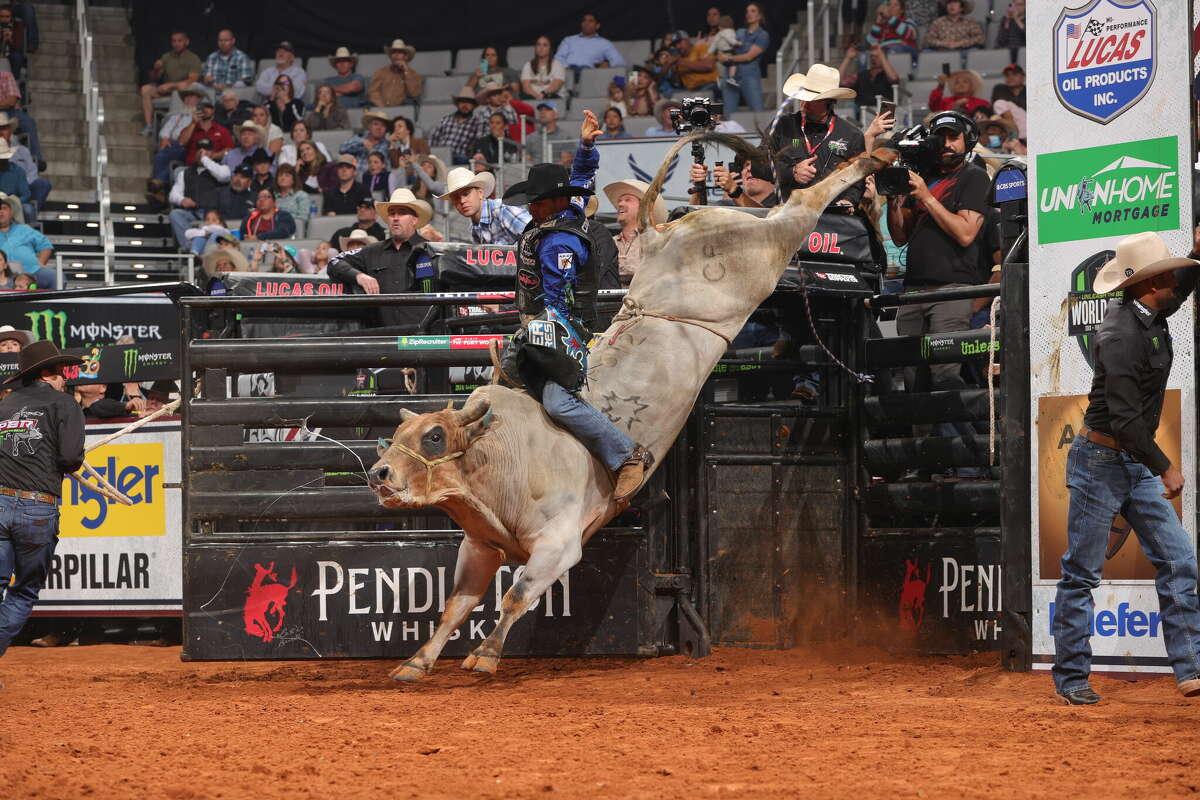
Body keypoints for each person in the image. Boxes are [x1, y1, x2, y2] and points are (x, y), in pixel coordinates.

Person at [1053, 230, 1200, 705]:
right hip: (1104, 460)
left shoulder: (1150, 311)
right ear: (1145, 285)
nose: (1173, 284)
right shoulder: (1118, 334)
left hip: (1127, 457)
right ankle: (1071, 677)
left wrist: (1197, 253)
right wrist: (1165, 467)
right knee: (1082, 572)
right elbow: (1124, 417)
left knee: (1179, 560)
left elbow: (1180, 293)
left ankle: (1192, 668)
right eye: (1165, 278)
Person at [498, 109, 650, 501]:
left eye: (537, 201)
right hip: (552, 321)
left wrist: (534, 336)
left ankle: (626, 455)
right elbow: (581, 178)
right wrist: (585, 147)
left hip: (563, 328)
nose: (530, 208)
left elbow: (558, 299)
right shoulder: (569, 213)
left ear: (555, 201)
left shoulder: (558, 242)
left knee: (556, 401)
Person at [885, 111, 988, 402]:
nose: (946, 144)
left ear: (967, 142)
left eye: (953, 137)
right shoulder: (921, 176)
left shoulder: (974, 177)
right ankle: (921, 443)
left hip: (951, 291)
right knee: (912, 379)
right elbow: (900, 236)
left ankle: (960, 445)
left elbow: (966, 233)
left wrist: (926, 197)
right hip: (913, 292)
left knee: (945, 374)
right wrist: (894, 200)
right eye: (940, 137)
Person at [0, 339, 85, 660]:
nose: (66, 378)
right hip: (37, 506)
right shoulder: (65, 405)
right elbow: (70, 458)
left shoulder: (4, 406)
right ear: (48, 374)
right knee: (23, 591)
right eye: (62, 372)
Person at [326, 188, 434, 329]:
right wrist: (359, 276)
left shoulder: (430, 250)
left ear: (414, 219)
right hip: (381, 336)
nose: (395, 217)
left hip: (422, 336)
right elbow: (334, 261)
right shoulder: (372, 251)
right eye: (392, 213)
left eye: (402, 213)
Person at [771, 65, 866, 203]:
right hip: (789, 214)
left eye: (812, 99)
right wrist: (792, 172)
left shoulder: (852, 135)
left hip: (833, 214)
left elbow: (858, 176)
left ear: (828, 101)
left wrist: (849, 200)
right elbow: (759, 164)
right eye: (803, 97)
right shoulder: (782, 125)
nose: (804, 103)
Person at [168, 138, 232, 249]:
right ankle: (189, 247)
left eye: (206, 150)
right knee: (175, 214)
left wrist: (205, 160)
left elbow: (223, 176)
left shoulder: (221, 168)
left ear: (212, 152)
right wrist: (182, 200)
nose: (202, 153)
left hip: (214, 216)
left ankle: (199, 247)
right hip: (193, 213)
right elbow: (172, 195)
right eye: (199, 150)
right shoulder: (185, 173)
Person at [438, 168, 530, 245]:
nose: (462, 201)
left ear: (480, 193)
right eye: (456, 198)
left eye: (466, 194)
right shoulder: (474, 228)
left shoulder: (502, 210)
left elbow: (536, 234)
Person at [603, 179, 667, 286]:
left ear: (643, 208)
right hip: (612, 302)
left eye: (627, 200)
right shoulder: (609, 242)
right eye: (619, 200)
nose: (620, 204)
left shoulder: (654, 240)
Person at [139, 31, 203, 136]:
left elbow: (193, 79)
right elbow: (154, 79)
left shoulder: (193, 58)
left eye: (179, 41)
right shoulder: (166, 57)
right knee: (145, 89)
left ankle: (177, 124)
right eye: (174, 41)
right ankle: (149, 126)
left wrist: (171, 85)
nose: (176, 44)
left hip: (182, 91)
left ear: (186, 42)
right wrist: (156, 70)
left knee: (184, 86)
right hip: (166, 90)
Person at [718, 2, 769, 112]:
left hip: (749, 75)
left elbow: (749, 56)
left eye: (753, 11)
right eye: (747, 11)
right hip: (731, 75)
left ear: (759, 15)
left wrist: (729, 58)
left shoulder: (763, 35)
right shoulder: (740, 32)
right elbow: (728, 47)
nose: (749, 14)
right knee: (728, 113)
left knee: (757, 111)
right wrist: (722, 54)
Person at [0, 191, 51, 287]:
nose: (1, 212)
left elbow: (46, 245)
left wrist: (41, 263)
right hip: (3, 275)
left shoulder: (25, 229)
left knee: (53, 276)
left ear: (11, 212)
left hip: (32, 272)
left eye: (4, 208)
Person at [0, 112, 45, 213]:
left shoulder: (21, 157)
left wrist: (14, 201)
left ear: (10, 131)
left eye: (4, 128)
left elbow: (32, 174)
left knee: (28, 209)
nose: (1, 132)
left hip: (18, 195)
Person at [839, 43, 900, 112]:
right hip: (862, 112)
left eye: (877, 56)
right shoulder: (862, 75)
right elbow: (838, 81)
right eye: (871, 56)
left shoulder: (887, 75)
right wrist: (848, 58)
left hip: (882, 112)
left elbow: (894, 79)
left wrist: (881, 54)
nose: (873, 59)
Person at [428, 90, 485, 165]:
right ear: (457, 104)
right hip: (441, 155)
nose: (465, 105)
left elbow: (479, 142)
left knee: (463, 158)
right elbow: (434, 138)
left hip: (461, 156)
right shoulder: (446, 118)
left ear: (473, 106)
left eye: (468, 102)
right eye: (462, 102)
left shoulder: (477, 122)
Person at [556, 11, 624, 73]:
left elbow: (619, 62)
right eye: (584, 21)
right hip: (567, 71)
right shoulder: (569, 40)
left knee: (583, 71)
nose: (586, 23)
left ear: (597, 26)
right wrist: (566, 68)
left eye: (590, 21)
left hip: (587, 72)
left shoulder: (605, 43)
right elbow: (558, 58)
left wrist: (607, 64)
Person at [923, 0, 985, 67]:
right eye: (949, 3)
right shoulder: (938, 22)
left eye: (955, 2)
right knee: (925, 53)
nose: (951, 5)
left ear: (962, 7)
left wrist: (961, 43)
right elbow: (928, 40)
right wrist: (944, 44)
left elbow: (980, 38)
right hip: (942, 52)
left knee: (975, 52)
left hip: (962, 52)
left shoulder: (970, 22)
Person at [865, 0, 920, 72]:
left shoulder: (907, 21)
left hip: (905, 52)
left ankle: (893, 77)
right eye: (889, 5)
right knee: (864, 55)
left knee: (895, 49)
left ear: (901, 10)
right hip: (884, 52)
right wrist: (878, 20)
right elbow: (871, 42)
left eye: (895, 5)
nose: (891, 7)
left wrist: (890, 18)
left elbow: (908, 34)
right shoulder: (882, 25)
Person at [368, 39, 423, 108]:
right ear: (391, 56)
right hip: (380, 110)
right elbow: (373, 92)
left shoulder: (414, 75)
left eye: (400, 52)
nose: (396, 55)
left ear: (406, 56)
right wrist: (382, 107)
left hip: (402, 111)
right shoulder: (381, 72)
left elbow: (413, 93)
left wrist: (406, 71)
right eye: (394, 52)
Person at [0, 66, 39, 160]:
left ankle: (37, 158)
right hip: (4, 108)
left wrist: (5, 104)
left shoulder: (5, 75)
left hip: (10, 112)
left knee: (28, 122)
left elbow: (11, 101)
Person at [341, 110, 391, 178]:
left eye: (383, 125)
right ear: (369, 126)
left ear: (386, 130)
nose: (379, 128)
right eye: (376, 124)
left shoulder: (386, 145)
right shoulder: (358, 139)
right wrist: (361, 143)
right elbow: (342, 149)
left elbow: (380, 166)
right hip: (353, 177)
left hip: (372, 178)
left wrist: (371, 150)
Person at [271, 164, 310, 234]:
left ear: (293, 180)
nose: (283, 178)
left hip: (294, 231)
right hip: (272, 230)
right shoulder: (271, 196)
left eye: (287, 175)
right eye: (280, 175)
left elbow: (303, 219)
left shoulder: (301, 195)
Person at [711, 15, 741, 88]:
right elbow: (731, 41)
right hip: (725, 54)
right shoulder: (727, 33)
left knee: (727, 69)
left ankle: (723, 81)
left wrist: (709, 52)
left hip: (721, 54)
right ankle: (728, 80)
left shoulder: (719, 34)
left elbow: (714, 45)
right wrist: (737, 43)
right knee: (732, 65)